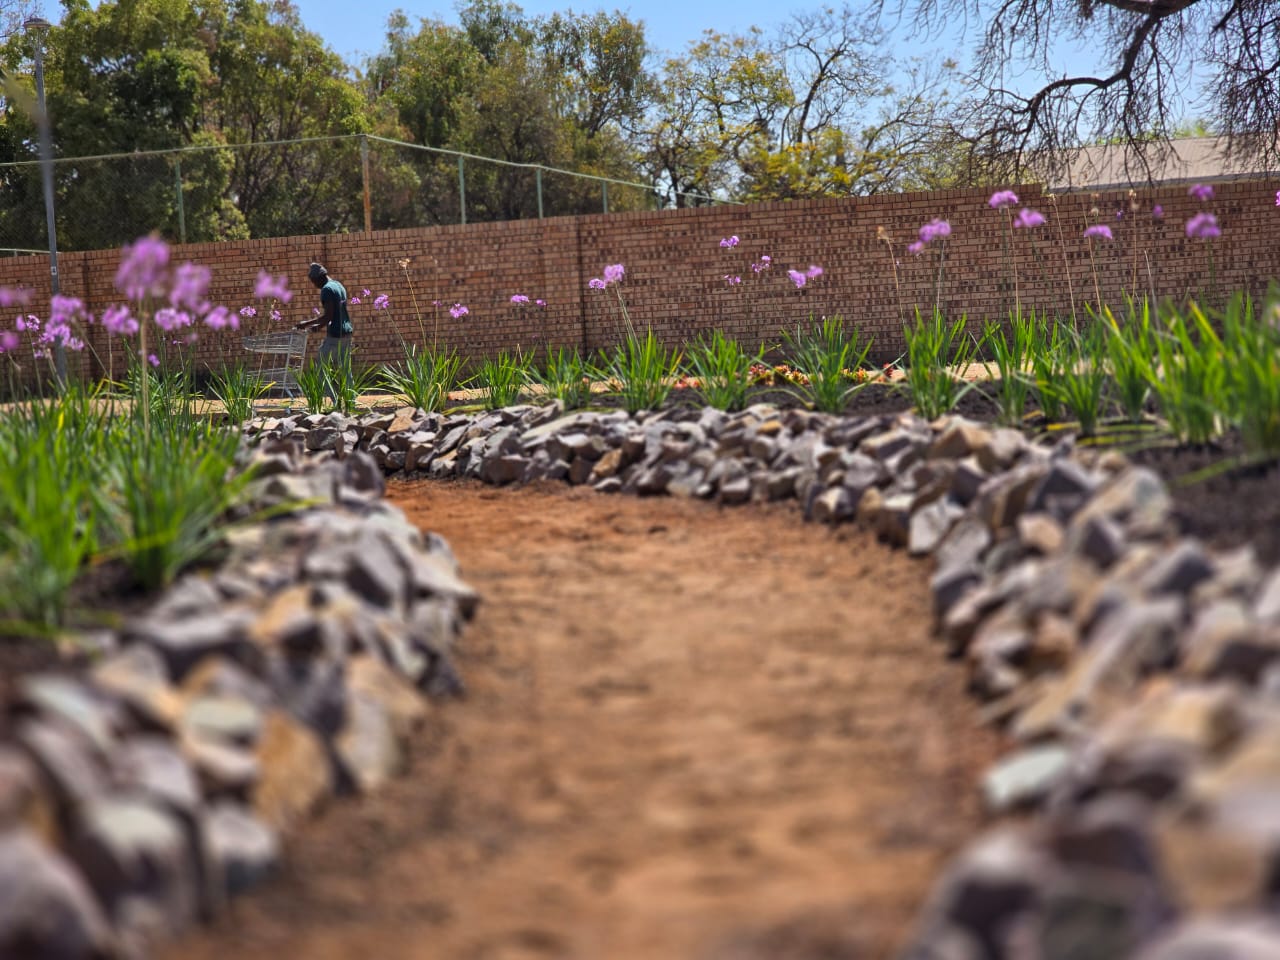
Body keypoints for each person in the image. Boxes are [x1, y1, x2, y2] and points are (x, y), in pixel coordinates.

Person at [296, 262, 353, 368]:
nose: (314, 285)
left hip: (336, 335)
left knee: (322, 367)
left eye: (314, 282)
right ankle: (349, 385)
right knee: (345, 369)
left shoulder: (327, 289)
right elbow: (336, 312)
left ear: (319, 278)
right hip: (347, 332)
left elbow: (328, 316)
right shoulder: (338, 285)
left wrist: (307, 324)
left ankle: (323, 385)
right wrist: (317, 326)